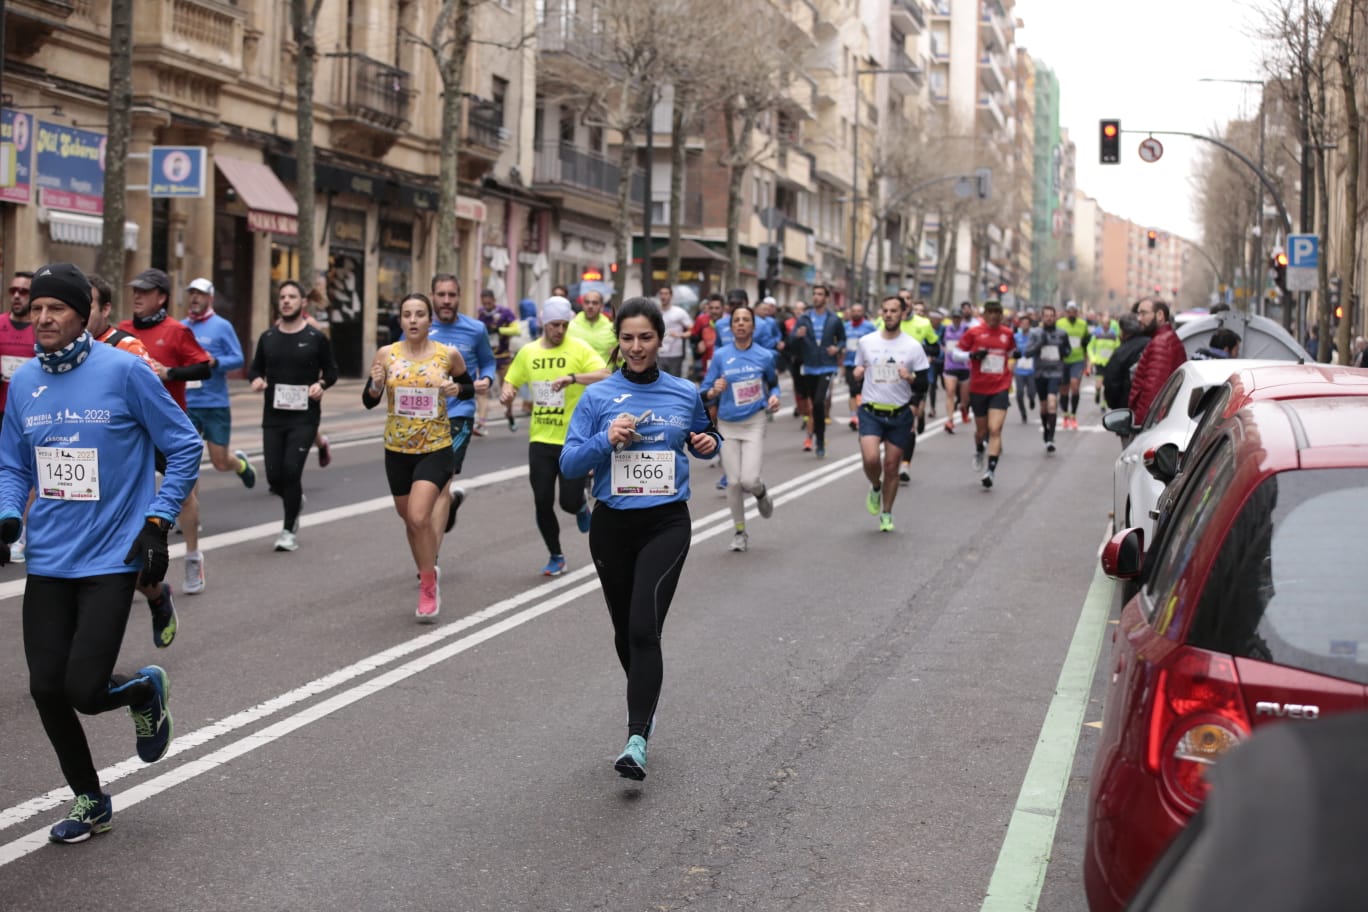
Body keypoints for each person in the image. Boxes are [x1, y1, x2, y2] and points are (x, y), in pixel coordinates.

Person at [0, 263, 199, 843]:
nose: (42, 318)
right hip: (51, 558)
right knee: (44, 687)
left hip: (113, 556)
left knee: (84, 690)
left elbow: (183, 445)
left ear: (81, 314)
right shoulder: (27, 384)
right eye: (35, 309)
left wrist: (158, 522)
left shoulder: (125, 372)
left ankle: (142, 688)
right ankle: (90, 799)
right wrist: (9, 515)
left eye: (54, 308)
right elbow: (13, 464)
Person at [560, 297, 721, 781]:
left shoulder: (684, 392)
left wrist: (708, 443)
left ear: (661, 339)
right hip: (612, 525)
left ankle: (636, 739)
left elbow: (704, 438)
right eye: (627, 338)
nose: (635, 347)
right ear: (618, 342)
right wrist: (604, 439)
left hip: (666, 523)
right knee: (623, 631)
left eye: (645, 338)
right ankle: (645, 698)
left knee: (643, 627)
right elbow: (570, 466)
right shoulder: (597, 398)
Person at [363, 292, 473, 621]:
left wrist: (457, 389)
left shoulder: (447, 354)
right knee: (409, 522)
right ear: (400, 320)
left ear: (429, 320)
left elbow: (466, 386)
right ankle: (428, 569)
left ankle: (428, 584)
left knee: (419, 517)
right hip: (396, 450)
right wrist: (374, 387)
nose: (413, 320)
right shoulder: (386, 354)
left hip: (435, 447)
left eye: (420, 314)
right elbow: (369, 399)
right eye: (407, 314)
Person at [87, 274, 180, 648]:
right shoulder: (55, 351)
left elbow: (157, 410)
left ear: (104, 309)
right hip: (77, 473)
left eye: (85, 305)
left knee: (125, 560)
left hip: (122, 469)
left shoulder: (127, 348)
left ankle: (158, 597)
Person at [499, 296, 608, 576]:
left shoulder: (579, 348)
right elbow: (512, 378)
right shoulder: (529, 352)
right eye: (554, 325)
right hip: (541, 439)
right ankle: (556, 555)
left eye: (564, 325)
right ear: (543, 324)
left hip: (574, 440)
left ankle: (581, 506)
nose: (559, 330)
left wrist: (573, 378)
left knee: (568, 502)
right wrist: (507, 391)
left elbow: (605, 373)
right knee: (542, 500)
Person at [120, 268, 214, 594]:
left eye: (144, 292)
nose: (136, 297)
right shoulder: (123, 331)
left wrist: (169, 371)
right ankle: (129, 569)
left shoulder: (176, 331)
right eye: (134, 291)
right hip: (131, 431)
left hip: (167, 429)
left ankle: (192, 556)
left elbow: (204, 365)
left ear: (161, 296)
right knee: (128, 497)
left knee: (185, 496)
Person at [248, 280, 339, 551]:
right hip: (273, 417)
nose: (286, 301)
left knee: (291, 470)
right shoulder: (268, 338)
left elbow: (332, 371)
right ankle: (295, 499)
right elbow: (255, 370)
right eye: (282, 297)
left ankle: (288, 530)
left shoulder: (315, 338)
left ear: (303, 303)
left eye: (292, 297)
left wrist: (320, 385)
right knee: (274, 476)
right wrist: (256, 381)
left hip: (304, 417)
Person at [701, 303, 779, 552]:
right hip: (727, 424)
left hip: (754, 421)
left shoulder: (765, 356)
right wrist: (715, 390)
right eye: (737, 320)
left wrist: (775, 397)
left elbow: (774, 384)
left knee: (749, 479)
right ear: (731, 326)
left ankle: (760, 492)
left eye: (746, 320)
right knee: (733, 482)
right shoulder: (721, 356)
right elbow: (705, 389)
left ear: (753, 327)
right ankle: (740, 532)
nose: (741, 324)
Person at [423, 274, 496, 537]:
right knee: (422, 489)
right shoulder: (420, 326)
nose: (446, 300)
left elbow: (488, 362)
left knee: (441, 483)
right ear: (432, 296)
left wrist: (486, 379)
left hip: (459, 413)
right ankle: (451, 504)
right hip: (422, 417)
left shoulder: (475, 329)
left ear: (459, 297)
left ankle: (431, 560)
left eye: (451, 295)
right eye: (441, 295)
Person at [854, 296, 930, 531]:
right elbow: (857, 372)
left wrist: (910, 377)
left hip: (899, 413)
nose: (888, 315)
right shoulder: (866, 342)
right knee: (871, 459)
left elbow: (924, 384)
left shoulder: (913, 346)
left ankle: (886, 513)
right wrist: (855, 374)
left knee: (891, 466)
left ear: (903, 313)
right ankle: (875, 486)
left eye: (893, 311)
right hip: (871, 410)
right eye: (885, 310)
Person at [182, 278, 256, 490]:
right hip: (187, 404)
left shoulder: (222, 326)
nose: (195, 298)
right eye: (192, 293)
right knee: (187, 463)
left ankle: (241, 465)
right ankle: (191, 521)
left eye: (200, 294)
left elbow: (238, 359)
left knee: (220, 462)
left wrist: (216, 362)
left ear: (210, 298)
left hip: (215, 403)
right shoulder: (180, 327)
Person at [958, 300, 1018, 487]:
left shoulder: (1007, 333)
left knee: (995, 429)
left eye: (997, 313)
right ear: (984, 315)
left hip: (1000, 387)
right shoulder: (974, 332)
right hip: (978, 388)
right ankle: (978, 448)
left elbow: (1012, 351)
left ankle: (990, 471)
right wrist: (972, 356)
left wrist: (1017, 354)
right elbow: (955, 353)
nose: (993, 316)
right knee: (981, 431)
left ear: (1001, 315)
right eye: (990, 313)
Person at [791, 283, 845, 457]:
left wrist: (837, 349)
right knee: (814, 405)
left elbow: (842, 340)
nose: (816, 297)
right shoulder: (804, 318)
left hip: (827, 365)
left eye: (820, 294)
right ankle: (816, 437)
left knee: (819, 402)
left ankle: (820, 440)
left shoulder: (834, 319)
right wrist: (796, 336)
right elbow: (790, 341)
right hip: (810, 366)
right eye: (814, 294)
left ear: (826, 298)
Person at [1128, 298, 1187, 425]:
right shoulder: (1165, 338)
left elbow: (1152, 392)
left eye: (1143, 313)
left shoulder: (1161, 343)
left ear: (1159, 315)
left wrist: (1140, 425)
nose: (1139, 319)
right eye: (1138, 314)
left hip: (1152, 425)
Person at [1024, 305, 1072, 454]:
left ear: (1055, 317)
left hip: (1055, 372)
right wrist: (1039, 344)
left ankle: (1051, 437)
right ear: (1042, 317)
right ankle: (1046, 430)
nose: (1049, 318)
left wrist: (1064, 349)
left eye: (1052, 315)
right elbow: (1027, 353)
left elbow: (1068, 351)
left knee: (1052, 403)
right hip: (1040, 373)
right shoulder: (1035, 333)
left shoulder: (1062, 333)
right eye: (1046, 316)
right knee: (1044, 407)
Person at [476, 288, 519, 433]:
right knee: (483, 389)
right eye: (484, 303)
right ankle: (482, 423)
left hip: (503, 357)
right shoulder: (480, 314)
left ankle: (509, 412)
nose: (487, 305)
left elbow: (516, 330)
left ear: (494, 300)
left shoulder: (505, 313)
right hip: (487, 358)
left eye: (489, 302)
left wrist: (499, 330)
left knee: (506, 389)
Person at [842, 302, 877, 431]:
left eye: (859, 311)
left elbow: (877, 341)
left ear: (863, 313)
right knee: (852, 391)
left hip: (865, 365)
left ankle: (863, 415)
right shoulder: (845, 326)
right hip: (850, 363)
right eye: (854, 311)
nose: (856, 313)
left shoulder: (869, 327)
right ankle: (853, 417)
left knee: (862, 392)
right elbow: (841, 342)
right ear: (850, 312)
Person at [1103, 313, 1148, 411]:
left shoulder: (1121, 352)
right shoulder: (1151, 343)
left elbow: (1111, 382)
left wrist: (1114, 404)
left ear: (1123, 332)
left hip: (1126, 405)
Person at [1057, 301, 1090, 429]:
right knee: (1064, 389)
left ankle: (1073, 415)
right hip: (1063, 360)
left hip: (1077, 359)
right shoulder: (1060, 324)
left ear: (1077, 312)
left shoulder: (1083, 324)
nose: (1072, 313)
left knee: (1075, 386)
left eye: (1074, 311)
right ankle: (1065, 414)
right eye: (1069, 311)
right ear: (1066, 312)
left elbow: (1086, 343)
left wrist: (1087, 364)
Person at [939, 309, 972, 433]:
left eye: (958, 317)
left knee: (964, 398)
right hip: (950, 366)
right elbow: (941, 343)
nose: (956, 319)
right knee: (950, 392)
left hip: (964, 367)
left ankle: (964, 408)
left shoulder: (966, 329)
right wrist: (945, 351)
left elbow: (971, 344)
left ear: (961, 318)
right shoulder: (946, 329)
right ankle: (950, 420)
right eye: (954, 317)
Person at [568, 287, 617, 364]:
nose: (590, 306)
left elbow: (622, 358)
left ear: (601, 306)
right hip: (577, 374)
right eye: (587, 302)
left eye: (595, 303)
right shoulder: (570, 327)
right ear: (582, 304)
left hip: (604, 374)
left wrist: (619, 357)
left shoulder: (612, 329)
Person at [657, 285, 692, 377]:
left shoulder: (679, 312)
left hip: (675, 353)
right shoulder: (656, 312)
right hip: (659, 352)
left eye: (666, 294)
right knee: (660, 380)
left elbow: (692, 330)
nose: (663, 296)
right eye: (661, 294)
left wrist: (680, 335)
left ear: (671, 296)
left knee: (674, 380)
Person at [1086, 316, 1120, 405]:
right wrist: (1093, 358)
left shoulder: (1114, 335)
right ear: (1101, 324)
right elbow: (1090, 347)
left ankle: (1104, 402)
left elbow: (1118, 347)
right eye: (1104, 323)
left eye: (1107, 323)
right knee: (1099, 384)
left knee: (1107, 385)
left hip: (1109, 363)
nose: (1105, 325)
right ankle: (1097, 392)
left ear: (1109, 324)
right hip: (1099, 362)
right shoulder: (1096, 335)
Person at [1013, 314, 1037, 423]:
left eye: (1027, 323)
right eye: (1023, 323)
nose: (1024, 325)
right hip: (1019, 369)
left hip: (1031, 368)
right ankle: (1023, 413)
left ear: (1030, 325)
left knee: (1031, 392)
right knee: (1019, 393)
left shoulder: (1034, 336)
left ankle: (1032, 399)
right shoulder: (1016, 337)